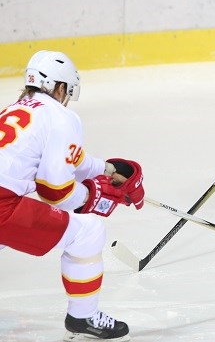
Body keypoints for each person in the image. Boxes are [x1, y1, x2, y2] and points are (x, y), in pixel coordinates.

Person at [0, 50, 145, 341]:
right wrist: (94, 197)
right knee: (88, 232)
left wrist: (107, 169)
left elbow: (67, 161)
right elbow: (54, 191)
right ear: (61, 87)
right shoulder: (61, 116)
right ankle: (84, 316)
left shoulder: (15, 110)